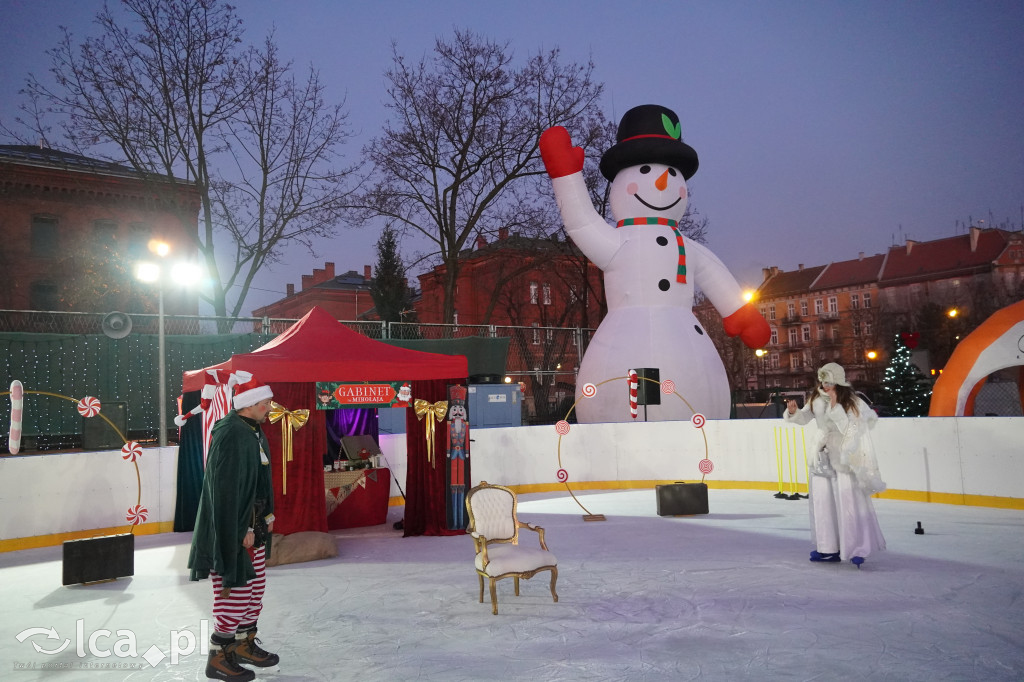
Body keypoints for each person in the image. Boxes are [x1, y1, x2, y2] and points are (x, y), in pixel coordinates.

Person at [188, 372, 279, 681]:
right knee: (236, 591)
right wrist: (240, 530)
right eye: (266, 402)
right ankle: (219, 656)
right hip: (235, 531)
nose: (270, 407)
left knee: (254, 591)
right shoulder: (230, 432)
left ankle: (242, 645)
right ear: (250, 404)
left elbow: (257, 483)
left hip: (254, 527)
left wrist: (263, 521)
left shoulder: (251, 429)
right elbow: (223, 489)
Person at [784, 362, 886, 567]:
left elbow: (853, 429)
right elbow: (805, 417)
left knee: (848, 501)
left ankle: (857, 548)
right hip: (822, 456)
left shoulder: (852, 401)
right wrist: (794, 413)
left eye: (829, 381)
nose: (825, 385)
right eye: (822, 380)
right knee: (822, 502)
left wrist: (835, 406)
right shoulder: (816, 399)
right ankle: (827, 548)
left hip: (844, 458)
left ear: (838, 381)